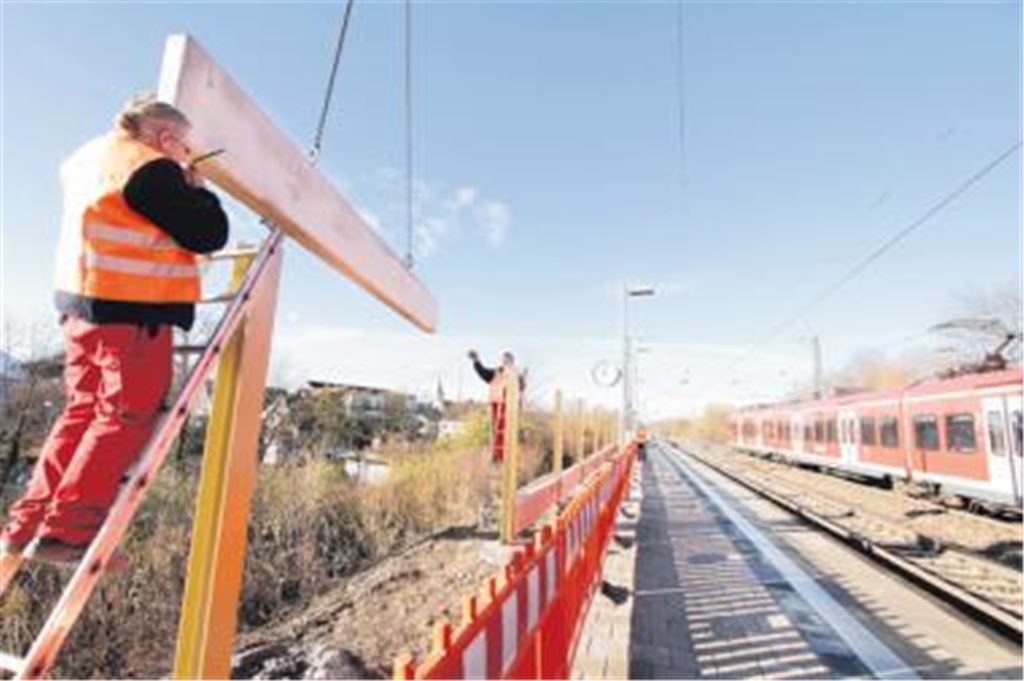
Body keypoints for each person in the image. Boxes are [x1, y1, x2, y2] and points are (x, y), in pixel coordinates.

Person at [0, 94, 229, 563]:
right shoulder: (150, 166)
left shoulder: (88, 159)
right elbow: (209, 233)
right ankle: (68, 530)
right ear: (166, 138)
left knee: (82, 413)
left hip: (82, 306)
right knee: (123, 415)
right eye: (183, 148)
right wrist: (198, 189)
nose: (185, 157)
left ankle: (27, 525)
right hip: (132, 311)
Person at [468, 350, 526, 463]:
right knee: (495, 431)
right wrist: (476, 361)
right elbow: (483, 373)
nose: (505, 362)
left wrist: (522, 381)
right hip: (496, 403)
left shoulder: (516, 374)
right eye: (504, 360)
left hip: (509, 405)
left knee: (507, 431)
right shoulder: (497, 372)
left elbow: (522, 388)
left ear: (512, 362)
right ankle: (497, 456)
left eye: (508, 360)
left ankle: (505, 457)